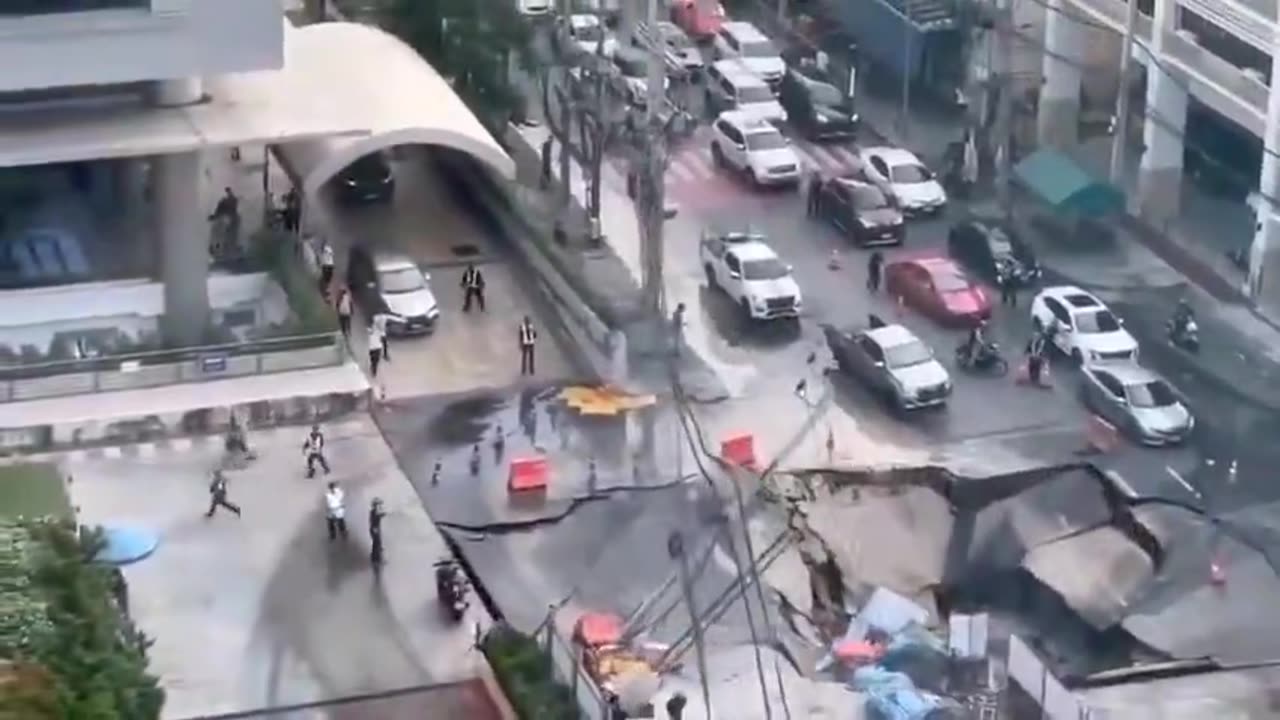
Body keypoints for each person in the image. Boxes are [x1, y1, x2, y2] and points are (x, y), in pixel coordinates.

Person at [369, 497, 386, 566]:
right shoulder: (374, 512)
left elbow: (381, 515)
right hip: (375, 529)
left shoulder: (374, 511)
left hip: (375, 529)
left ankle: (375, 557)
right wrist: (375, 529)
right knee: (376, 544)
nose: (380, 505)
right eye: (379, 504)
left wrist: (382, 514)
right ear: (375, 505)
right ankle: (376, 560)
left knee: (376, 543)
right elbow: (374, 520)